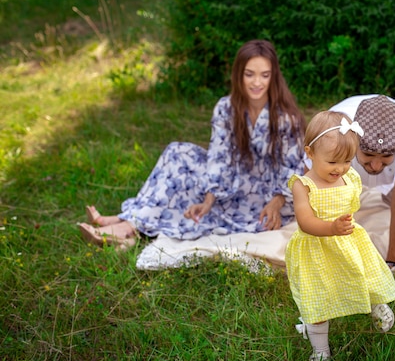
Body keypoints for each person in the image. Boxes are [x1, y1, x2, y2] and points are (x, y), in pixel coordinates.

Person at [78, 40, 306, 249]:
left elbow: (294, 167)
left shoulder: (285, 117)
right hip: (229, 181)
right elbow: (218, 157)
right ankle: (129, 221)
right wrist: (208, 200)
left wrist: (277, 202)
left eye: (264, 75)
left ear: (273, 77)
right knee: (177, 152)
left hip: (268, 195)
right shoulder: (226, 108)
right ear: (239, 75)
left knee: (183, 191)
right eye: (249, 74)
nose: (257, 82)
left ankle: (127, 226)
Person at [285, 111, 395, 361]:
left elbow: (349, 206)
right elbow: (305, 222)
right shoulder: (303, 185)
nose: (340, 168)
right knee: (317, 300)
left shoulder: (349, 178)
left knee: (361, 276)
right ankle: (321, 351)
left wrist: (343, 228)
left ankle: (376, 304)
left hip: (347, 243)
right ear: (310, 153)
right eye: (333, 161)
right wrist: (332, 227)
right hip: (314, 249)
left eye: (348, 160)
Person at [328, 94, 395, 268]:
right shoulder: (333, 132)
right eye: (369, 155)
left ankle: (388, 187)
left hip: (393, 171)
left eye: (386, 156)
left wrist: (393, 261)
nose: (375, 165)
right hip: (347, 163)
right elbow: (315, 183)